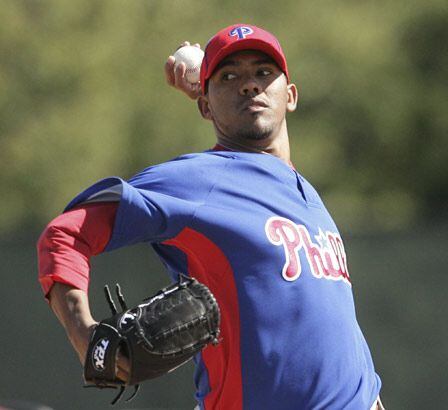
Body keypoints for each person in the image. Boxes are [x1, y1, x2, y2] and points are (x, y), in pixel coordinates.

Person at [37, 24, 384, 409]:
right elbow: (64, 236)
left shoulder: (310, 198)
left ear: (291, 96)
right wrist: (84, 336)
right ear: (204, 106)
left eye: (263, 73)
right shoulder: (198, 180)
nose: (250, 85)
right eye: (230, 76)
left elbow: (345, 350)